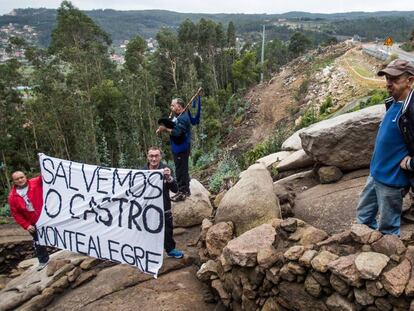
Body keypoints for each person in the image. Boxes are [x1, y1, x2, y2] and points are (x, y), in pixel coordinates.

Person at [356, 59, 414, 235]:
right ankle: (363, 246)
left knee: (388, 228)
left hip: (392, 182)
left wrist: (411, 164)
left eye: (395, 79)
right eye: (387, 78)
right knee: (363, 217)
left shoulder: (412, 109)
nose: (389, 84)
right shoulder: (393, 102)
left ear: (410, 80)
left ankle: (388, 257)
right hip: (375, 174)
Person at [143, 147, 184, 259]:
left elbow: (175, 189)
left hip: (164, 206)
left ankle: (170, 250)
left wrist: (169, 178)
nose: (154, 158)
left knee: (167, 229)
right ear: (148, 156)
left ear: (160, 157)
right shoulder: (141, 171)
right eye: (151, 156)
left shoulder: (166, 169)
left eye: (156, 156)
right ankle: (149, 253)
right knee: (148, 230)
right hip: (147, 208)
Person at [8, 171, 50, 270]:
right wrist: (26, 225)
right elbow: (16, 214)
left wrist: (42, 159)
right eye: (17, 179)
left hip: (46, 216)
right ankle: (43, 261)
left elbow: (46, 174)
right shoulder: (12, 197)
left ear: (25, 177)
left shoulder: (35, 182)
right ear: (13, 181)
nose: (20, 180)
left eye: (21, 177)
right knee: (38, 241)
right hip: (32, 222)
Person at [156, 98, 191, 202]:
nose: (171, 107)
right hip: (178, 147)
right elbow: (173, 125)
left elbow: (177, 133)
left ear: (179, 106)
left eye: (172, 105)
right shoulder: (177, 116)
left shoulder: (184, 118)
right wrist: (162, 127)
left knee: (181, 169)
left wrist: (165, 129)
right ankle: (185, 190)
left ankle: (183, 192)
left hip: (181, 147)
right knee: (181, 167)